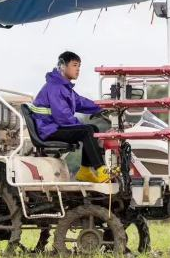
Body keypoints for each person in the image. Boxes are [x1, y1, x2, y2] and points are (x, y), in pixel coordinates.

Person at [29, 51, 111, 183]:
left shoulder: (64, 88)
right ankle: (101, 169)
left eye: (79, 66)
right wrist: (80, 125)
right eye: (74, 65)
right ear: (62, 66)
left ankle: (85, 170)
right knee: (87, 131)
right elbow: (62, 116)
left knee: (93, 129)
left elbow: (81, 102)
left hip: (54, 127)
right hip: (49, 130)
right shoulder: (55, 87)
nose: (78, 69)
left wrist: (102, 106)